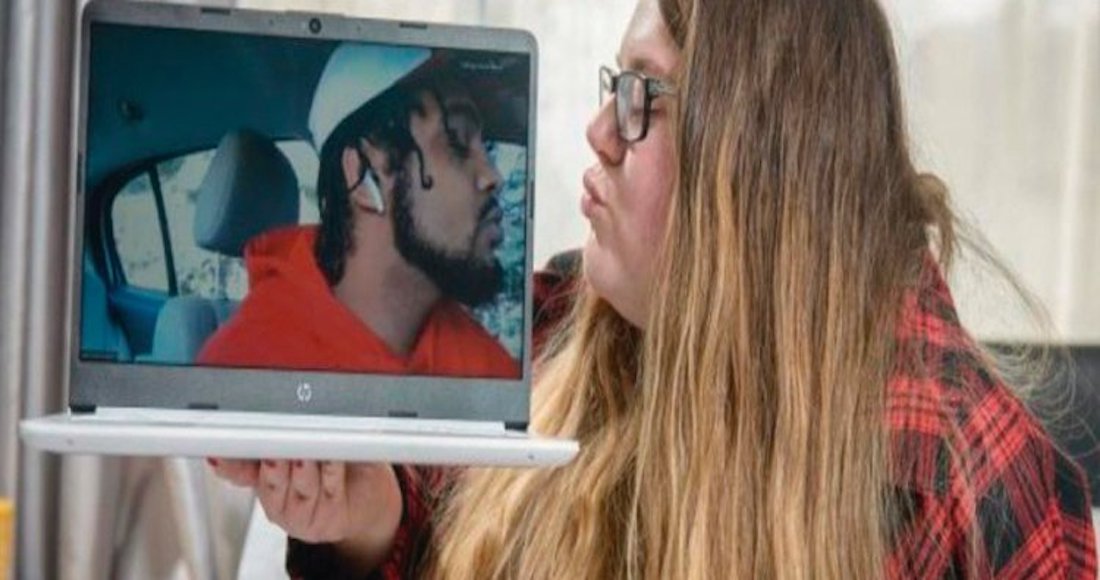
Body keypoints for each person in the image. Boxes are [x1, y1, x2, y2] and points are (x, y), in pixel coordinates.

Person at [215, 0, 1098, 578]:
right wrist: (368, 520)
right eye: (615, 86)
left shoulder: (965, 482)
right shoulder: (553, 327)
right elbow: (424, 527)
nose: (599, 131)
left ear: (758, 159)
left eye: (644, 96)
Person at [197, 43, 519, 379]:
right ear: (364, 176)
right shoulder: (246, 366)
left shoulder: (485, 368)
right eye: (457, 141)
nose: (493, 176)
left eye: (487, 147)